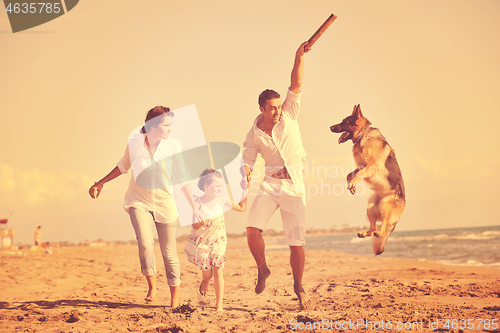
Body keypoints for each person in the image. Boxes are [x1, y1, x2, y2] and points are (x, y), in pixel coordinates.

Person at [88, 106, 202, 308]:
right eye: (167, 125)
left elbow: (181, 176)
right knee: (146, 244)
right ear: (153, 126)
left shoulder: (174, 145)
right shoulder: (135, 144)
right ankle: (152, 284)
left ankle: (174, 297)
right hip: (138, 200)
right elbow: (123, 166)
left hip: (165, 203)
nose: (170, 129)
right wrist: (101, 182)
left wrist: (194, 207)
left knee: (169, 252)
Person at [242, 41, 312, 309]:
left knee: (296, 243)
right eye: (271, 107)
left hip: (294, 186)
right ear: (261, 108)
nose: (276, 110)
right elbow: (247, 159)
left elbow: (296, 83)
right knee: (251, 230)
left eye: (278, 106)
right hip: (271, 186)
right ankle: (263, 268)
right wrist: (246, 173)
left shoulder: (290, 114)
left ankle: (298, 287)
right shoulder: (254, 133)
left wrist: (299, 56)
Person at [184, 169, 248, 312]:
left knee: (218, 270)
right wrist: (202, 222)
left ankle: (219, 305)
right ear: (206, 185)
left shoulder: (222, 200)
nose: (220, 188)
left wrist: (245, 190)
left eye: (221, 186)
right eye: (217, 185)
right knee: (208, 274)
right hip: (203, 244)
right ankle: (205, 280)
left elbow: (242, 208)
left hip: (219, 242)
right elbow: (194, 225)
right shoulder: (197, 203)